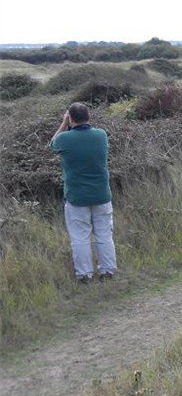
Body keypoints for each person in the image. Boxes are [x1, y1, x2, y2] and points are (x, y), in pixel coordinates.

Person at [49, 102, 117, 284]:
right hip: (102, 194)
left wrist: (64, 124)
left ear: (70, 118)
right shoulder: (101, 135)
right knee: (104, 235)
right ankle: (108, 271)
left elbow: (52, 144)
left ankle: (85, 275)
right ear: (89, 116)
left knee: (80, 238)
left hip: (77, 197)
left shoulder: (64, 139)